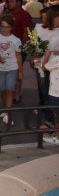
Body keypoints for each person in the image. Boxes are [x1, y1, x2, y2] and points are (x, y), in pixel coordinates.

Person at [0, 15, 23, 124]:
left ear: (11, 27)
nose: (4, 29)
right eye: (2, 27)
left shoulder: (16, 40)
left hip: (13, 68)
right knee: (3, 90)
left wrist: (21, 71)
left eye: (7, 27)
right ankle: (6, 109)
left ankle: (8, 113)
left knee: (9, 89)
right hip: (1, 69)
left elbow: (19, 56)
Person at [7, 0, 33, 104]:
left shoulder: (24, 15)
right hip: (8, 48)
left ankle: (17, 95)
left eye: (12, 1)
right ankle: (11, 93)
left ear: (18, 2)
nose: (9, 3)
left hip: (18, 49)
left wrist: (21, 47)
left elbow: (26, 32)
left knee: (17, 72)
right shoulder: (10, 13)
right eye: (9, 1)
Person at [41, 8, 59, 144]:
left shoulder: (56, 36)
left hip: (53, 70)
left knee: (54, 107)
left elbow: (46, 63)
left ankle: (55, 133)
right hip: (53, 71)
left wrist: (47, 56)